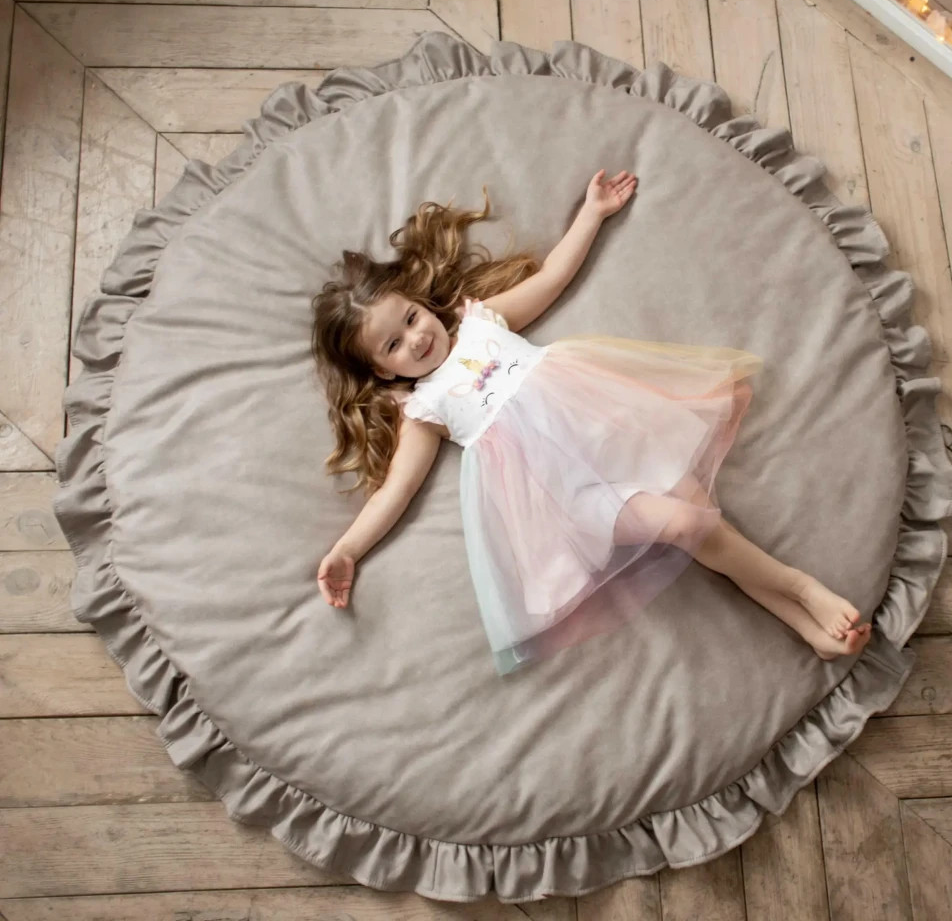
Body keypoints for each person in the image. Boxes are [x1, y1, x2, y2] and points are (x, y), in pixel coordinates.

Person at [310, 170, 872, 675]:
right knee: (685, 525)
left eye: (411, 318)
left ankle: (808, 628)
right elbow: (396, 491)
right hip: (573, 501)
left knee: (706, 529)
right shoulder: (425, 409)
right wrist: (348, 549)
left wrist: (592, 213)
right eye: (394, 345)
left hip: (619, 438)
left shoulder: (482, 322)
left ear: (421, 302)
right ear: (382, 371)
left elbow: (553, 277)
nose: (416, 339)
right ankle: (802, 587)